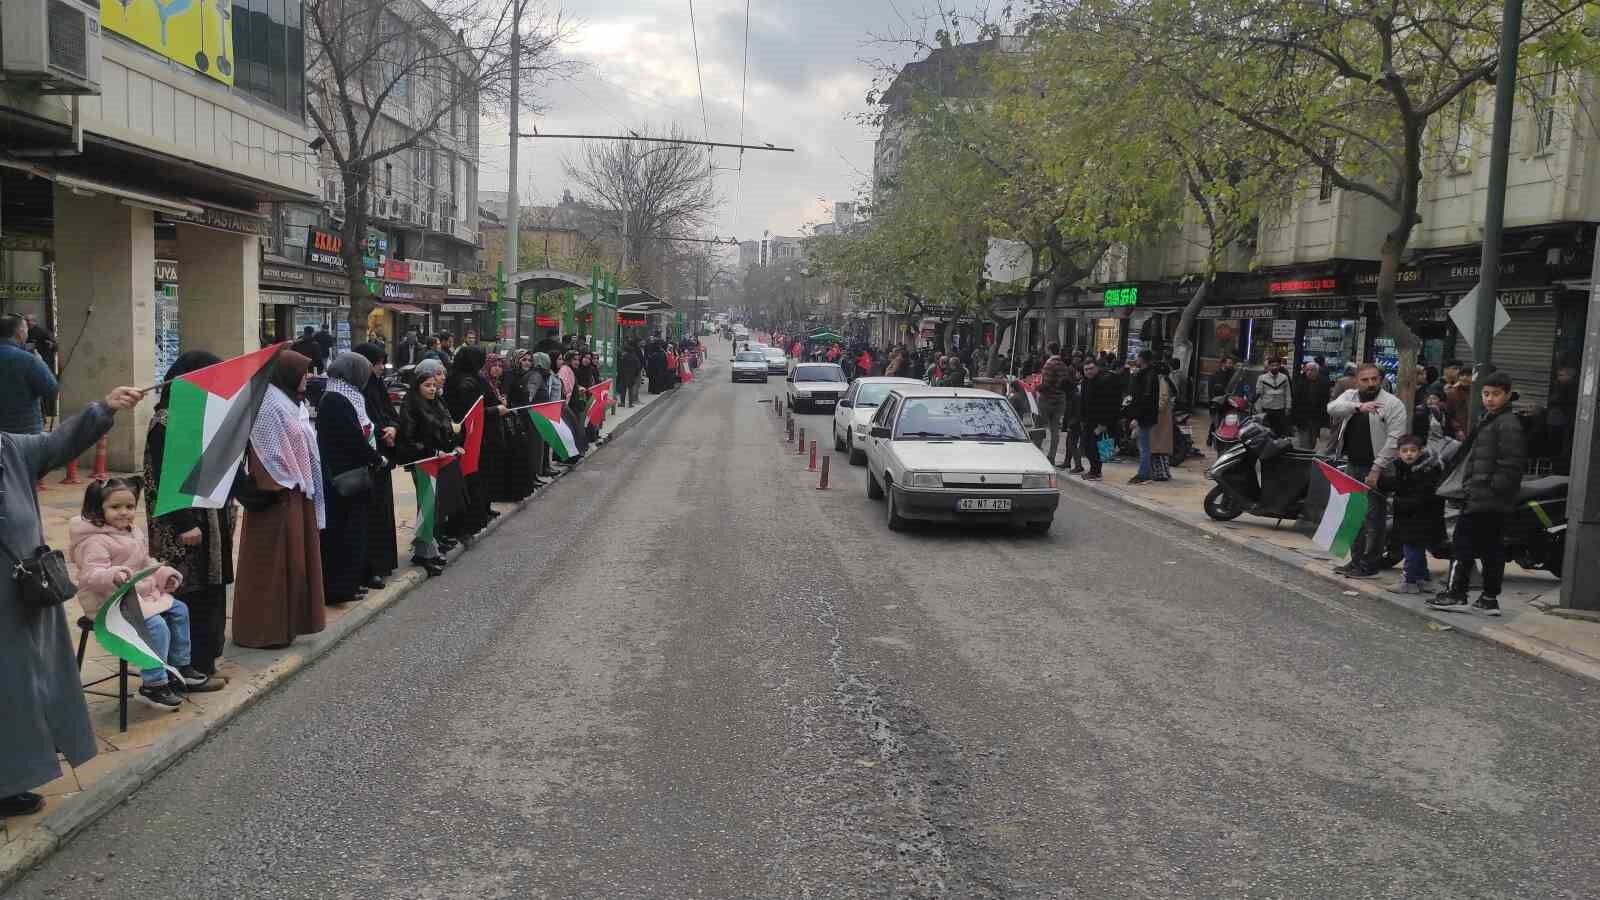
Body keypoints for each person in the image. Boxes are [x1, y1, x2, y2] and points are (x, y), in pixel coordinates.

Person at [1, 385, 140, 817]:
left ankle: (13, 780)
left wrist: (103, 410)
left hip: (21, 594)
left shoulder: (8, 449)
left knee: (21, 689)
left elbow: (55, 442)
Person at [69, 478, 221, 710]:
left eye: (129, 507)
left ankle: (179, 667)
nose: (124, 513)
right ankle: (153, 683)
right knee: (156, 626)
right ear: (97, 509)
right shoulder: (94, 541)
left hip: (135, 597)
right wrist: (113, 575)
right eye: (115, 507)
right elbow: (91, 575)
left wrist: (162, 574)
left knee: (179, 609)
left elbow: (144, 562)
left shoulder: (133, 533)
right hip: (108, 603)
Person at [144, 351, 235, 681]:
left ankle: (205, 663)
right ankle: (187, 669)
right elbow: (164, 476)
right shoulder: (166, 422)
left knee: (211, 593)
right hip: (184, 529)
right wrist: (184, 522)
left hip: (211, 522)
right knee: (188, 595)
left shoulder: (196, 417)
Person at [234, 350, 327, 648]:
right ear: (287, 373)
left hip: (295, 491)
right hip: (276, 493)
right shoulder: (269, 404)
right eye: (304, 371)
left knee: (295, 563)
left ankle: (289, 625)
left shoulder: (289, 401)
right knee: (273, 565)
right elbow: (268, 452)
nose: (308, 377)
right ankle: (266, 630)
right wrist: (284, 483)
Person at [1428, 371, 1527, 616]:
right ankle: (1488, 599)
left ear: (1507, 394)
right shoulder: (1491, 419)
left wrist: (1489, 489)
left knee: (1463, 545)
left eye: (1495, 394)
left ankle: (1456, 594)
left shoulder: (1506, 424)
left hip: (1486, 498)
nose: (1489, 399)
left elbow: (1511, 465)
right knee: (1492, 549)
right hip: (1487, 498)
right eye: (1486, 394)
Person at [1327, 363, 1409, 579]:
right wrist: (1357, 408)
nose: (1371, 383)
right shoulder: (1351, 396)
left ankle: (1370, 563)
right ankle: (1355, 561)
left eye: (1375, 379)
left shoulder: (1392, 404)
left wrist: (1377, 469)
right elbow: (1332, 408)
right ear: (1357, 381)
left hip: (1377, 468)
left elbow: (1394, 440)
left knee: (1374, 518)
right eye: (1365, 380)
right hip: (1353, 464)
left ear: (1381, 379)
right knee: (1354, 515)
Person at [317, 352, 385, 605]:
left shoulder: (347, 395)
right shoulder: (336, 399)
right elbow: (352, 438)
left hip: (350, 475)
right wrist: (375, 457)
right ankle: (339, 588)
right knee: (343, 536)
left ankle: (349, 583)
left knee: (354, 533)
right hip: (342, 479)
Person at [395, 360, 455, 577]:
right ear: (417, 386)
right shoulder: (411, 405)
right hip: (421, 461)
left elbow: (445, 425)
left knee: (433, 504)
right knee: (426, 505)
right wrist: (429, 451)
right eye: (427, 385)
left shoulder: (436, 402)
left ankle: (429, 548)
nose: (432, 389)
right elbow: (408, 438)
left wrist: (451, 444)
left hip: (437, 459)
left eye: (433, 385)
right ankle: (425, 553)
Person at [353, 343, 400, 585]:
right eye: (376, 363)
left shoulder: (378, 387)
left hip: (383, 455)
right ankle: (370, 567)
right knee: (370, 514)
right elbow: (364, 422)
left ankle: (383, 562)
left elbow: (390, 412)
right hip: (369, 458)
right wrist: (383, 430)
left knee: (383, 510)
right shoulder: (357, 390)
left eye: (383, 362)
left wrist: (393, 427)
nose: (381, 368)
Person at [1379, 435, 1444, 595]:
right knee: (1417, 549)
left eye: (1413, 451)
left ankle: (1409, 581)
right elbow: (1396, 483)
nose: (1409, 454)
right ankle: (1422, 579)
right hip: (1409, 518)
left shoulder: (1427, 471)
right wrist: (1380, 481)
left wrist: (1396, 502)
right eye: (1405, 451)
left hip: (1421, 518)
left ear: (1420, 451)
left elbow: (1421, 498)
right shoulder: (1403, 467)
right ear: (1398, 453)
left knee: (1411, 550)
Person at [444, 346, 494, 537]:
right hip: (467, 436)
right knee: (468, 479)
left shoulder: (461, 378)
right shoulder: (466, 383)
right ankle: (465, 525)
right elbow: (471, 412)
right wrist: (494, 410)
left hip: (470, 435)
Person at [0, 313, 58, 434]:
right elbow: (51, 389)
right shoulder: (29, 360)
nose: (27, 332)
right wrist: (41, 362)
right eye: (26, 328)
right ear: (19, 332)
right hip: (26, 435)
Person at [1080, 359, 1122, 481]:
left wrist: (1103, 424)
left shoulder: (1104, 381)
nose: (1089, 371)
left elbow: (1108, 404)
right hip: (1088, 420)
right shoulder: (1086, 382)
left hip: (1099, 422)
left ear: (1096, 368)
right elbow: (1083, 401)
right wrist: (1082, 418)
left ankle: (1096, 471)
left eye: (1091, 368)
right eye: (1086, 369)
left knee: (1095, 448)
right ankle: (1094, 470)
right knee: (1087, 447)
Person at [1127, 350, 1161, 484]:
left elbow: (1145, 398)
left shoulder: (1149, 375)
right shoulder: (1147, 374)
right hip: (1147, 414)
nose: (1136, 360)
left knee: (1144, 447)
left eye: (1137, 357)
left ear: (1142, 359)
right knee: (1144, 445)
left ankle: (1143, 474)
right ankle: (1146, 472)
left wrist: (1137, 417)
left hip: (1145, 415)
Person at [1036, 343, 1070, 468]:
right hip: (1060, 399)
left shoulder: (1049, 364)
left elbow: (1046, 383)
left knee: (1039, 427)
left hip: (1047, 399)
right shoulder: (1063, 365)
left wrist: (1036, 387)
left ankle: (1037, 453)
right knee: (1055, 430)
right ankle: (1052, 456)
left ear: (1049, 350)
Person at [1290, 361, 1330, 450]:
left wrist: (1325, 422)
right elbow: (1295, 402)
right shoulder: (1299, 382)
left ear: (1317, 371)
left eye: (1312, 370)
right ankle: (1305, 460)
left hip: (1316, 418)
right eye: (1307, 370)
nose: (1309, 372)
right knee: (1304, 443)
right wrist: (1293, 419)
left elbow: (1325, 402)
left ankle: (1308, 455)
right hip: (1302, 417)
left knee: (1312, 442)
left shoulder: (1324, 383)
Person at [1149, 361, 1176, 482]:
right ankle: (1164, 472)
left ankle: (1161, 474)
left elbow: (1163, 399)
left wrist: (1155, 409)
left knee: (1157, 448)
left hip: (1160, 419)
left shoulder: (1162, 381)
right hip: (1163, 418)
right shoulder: (1167, 380)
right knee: (1161, 449)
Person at [1255, 357, 1292, 436]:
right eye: (1272, 365)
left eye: (1277, 365)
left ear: (1280, 366)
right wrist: (1259, 410)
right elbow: (1258, 395)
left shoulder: (1284, 377)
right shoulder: (1262, 378)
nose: (1274, 367)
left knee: (1280, 433)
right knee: (1266, 433)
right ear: (1269, 366)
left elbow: (1288, 393)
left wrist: (1288, 407)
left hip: (1280, 410)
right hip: (1267, 409)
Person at [618, 339, 644, 407]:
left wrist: (620, 374)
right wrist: (636, 374)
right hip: (632, 375)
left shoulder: (623, 357)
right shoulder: (634, 357)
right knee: (630, 389)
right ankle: (630, 403)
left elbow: (619, 366)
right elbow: (638, 366)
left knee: (623, 389)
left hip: (623, 375)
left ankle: (622, 403)